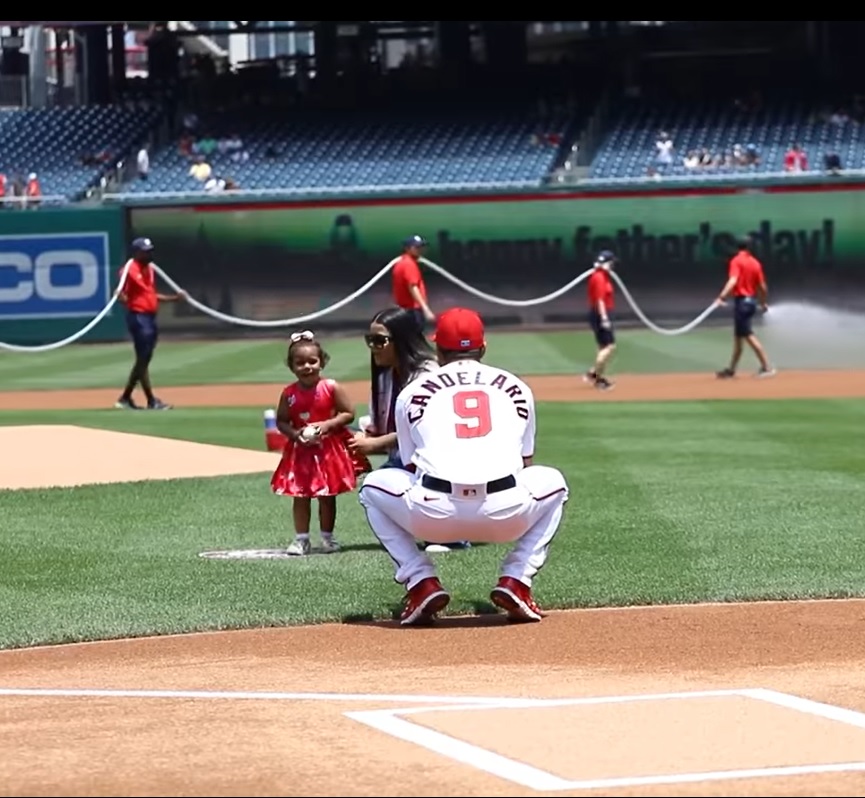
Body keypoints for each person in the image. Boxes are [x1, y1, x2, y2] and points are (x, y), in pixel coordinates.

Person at [358, 307, 570, 626]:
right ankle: (517, 578)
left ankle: (420, 581)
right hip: (505, 515)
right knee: (554, 482)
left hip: (433, 518)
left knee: (373, 487)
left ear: (439, 350)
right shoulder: (518, 387)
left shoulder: (413, 392)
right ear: (483, 348)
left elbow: (409, 461)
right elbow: (527, 462)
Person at [349, 307, 471, 553]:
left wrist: (376, 444)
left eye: (380, 340)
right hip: (405, 459)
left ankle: (452, 533)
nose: (373, 346)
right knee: (372, 488)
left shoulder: (427, 375)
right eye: (369, 340)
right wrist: (359, 437)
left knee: (384, 485)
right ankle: (427, 528)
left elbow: (424, 431)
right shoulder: (385, 375)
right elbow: (380, 423)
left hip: (440, 463)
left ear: (402, 339)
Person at [271, 330, 358, 556]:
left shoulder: (330, 387)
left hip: (327, 450)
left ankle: (328, 538)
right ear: (291, 366)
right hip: (300, 451)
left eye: (312, 361)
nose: (307, 366)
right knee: (300, 495)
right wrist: (294, 434)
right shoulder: (288, 393)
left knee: (327, 496)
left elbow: (348, 413)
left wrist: (327, 426)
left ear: (322, 362)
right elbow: (281, 420)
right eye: (300, 363)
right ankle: (302, 539)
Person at [115, 237, 187, 410]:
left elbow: (150, 294)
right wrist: (123, 299)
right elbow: (121, 293)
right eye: (145, 251)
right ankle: (150, 400)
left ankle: (126, 398)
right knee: (143, 358)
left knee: (144, 359)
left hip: (149, 316)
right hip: (138, 317)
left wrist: (174, 299)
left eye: (149, 250)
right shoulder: (129, 269)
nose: (149, 254)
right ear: (136, 252)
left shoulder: (150, 269)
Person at [715, 237, 776, 379]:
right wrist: (763, 302)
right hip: (750, 303)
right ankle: (731, 370)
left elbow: (733, 280)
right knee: (739, 338)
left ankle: (767, 367)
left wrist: (722, 296)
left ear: (737, 247)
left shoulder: (736, 261)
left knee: (748, 335)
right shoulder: (755, 263)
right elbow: (762, 287)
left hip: (741, 303)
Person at [583, 250, 617, 391]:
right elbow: (600, 300)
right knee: (609, 347)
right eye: (611, 263)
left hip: (599, 313)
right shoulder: (599, 277)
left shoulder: (602, 276)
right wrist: (604, 318)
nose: (612, 266)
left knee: (603, 348)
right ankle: (596, 377)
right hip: (599, 314)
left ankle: (593, 374)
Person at [391, 235, 436, 332]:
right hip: (412, 311)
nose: (421, 250)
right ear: (407, 248)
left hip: (404, 309)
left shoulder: (402, 263)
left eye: (422, 247)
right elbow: (413, 287)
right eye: (417, 247)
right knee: (415, 342)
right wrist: (426, 309)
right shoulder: (408, 264)